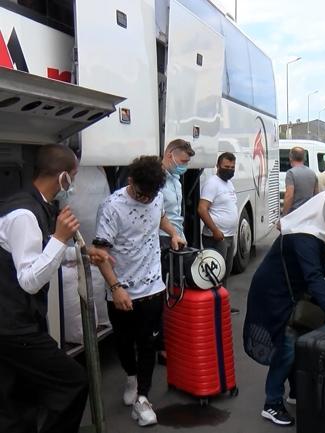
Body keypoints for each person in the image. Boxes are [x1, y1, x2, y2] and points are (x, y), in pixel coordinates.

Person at [0, 144, 112, 433]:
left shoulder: (34, 204)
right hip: (14, 326)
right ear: (64, 178)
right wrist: (62, 238)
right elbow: (29, 279)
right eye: (73, 177)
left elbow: (40, 256)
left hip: (14, 321)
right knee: (72, 382)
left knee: (16, 397)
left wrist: (83, 255)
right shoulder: (24, 214)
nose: (72, 184)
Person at [243, 189, 325, 427]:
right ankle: (272, 403)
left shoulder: (309, 229)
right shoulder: (306, 235)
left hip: (284, 291)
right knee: (287, 349)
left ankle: (296, 391)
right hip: (274, 295)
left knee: (296, 343)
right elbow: (312, 275)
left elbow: (309, 264)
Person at [93, 156, 185, 427]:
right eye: (142, 195)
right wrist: (116, 287)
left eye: (152, 195)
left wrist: (174, 233)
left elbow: (162, 217)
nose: (147, 200)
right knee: (123, 343)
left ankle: (143, 399)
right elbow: (100, 254)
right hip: (121, 290)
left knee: (148, 343)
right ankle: (130, 376)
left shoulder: (155, 196)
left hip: (154, 287)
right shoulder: (111, 207)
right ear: (130, 182)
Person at [157, 138, 195, 362]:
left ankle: (174, 338)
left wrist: (179, 235)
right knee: (163, 295)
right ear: (169, 154)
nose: (184, 166)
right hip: (163, 240)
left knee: (177, 292)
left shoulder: (176, 180)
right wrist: (172, 234)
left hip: (176, 239)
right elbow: (156, 214)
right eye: (182, 161)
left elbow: (177, 214)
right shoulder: (157, 180)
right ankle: (161, 346)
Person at [198, 152, 238, 288]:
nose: (230, 170)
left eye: (232, 167)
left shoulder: (229, 184)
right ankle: (215, 306)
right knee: (216, 275)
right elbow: (202, 209)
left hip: (229, 235)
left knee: (225, 272)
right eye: (226, 167)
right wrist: (215, 230)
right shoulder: (212, 183)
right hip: (216, 237)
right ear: (218, 166)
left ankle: (223, 305)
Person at [282, 146, 318, 215]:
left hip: (295, 214)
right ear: (304, 158)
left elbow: (289, 196)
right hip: (308, 213)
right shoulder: (312, 173)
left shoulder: (291, 173)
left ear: (290, 158)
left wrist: (284, 215)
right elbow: (316, 195)